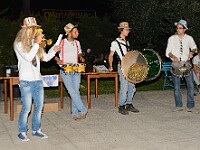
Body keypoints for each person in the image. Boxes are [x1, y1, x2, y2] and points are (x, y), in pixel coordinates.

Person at [13, 17, 60, 141]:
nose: (36, 32)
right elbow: (28, 57)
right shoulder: (18, 44)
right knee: (27, 108)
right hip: (26, 81)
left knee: (39, 107)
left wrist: (54, 51)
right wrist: (37, 44)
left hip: (38, 81)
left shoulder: (36, 45)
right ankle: (22, 131)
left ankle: (36, 130)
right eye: (34, 29)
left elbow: (45, 58)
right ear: (27, 30)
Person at [54, 23, 87, 120]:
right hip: (65, 70)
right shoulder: (61, 43)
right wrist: (57, 60)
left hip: (76, 69)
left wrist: (80, 56)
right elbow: (52, 53)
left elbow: (79, 52)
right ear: (69, 33)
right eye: (75, 31)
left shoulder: (77, 43)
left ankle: (74, 114)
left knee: (76, 91)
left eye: (77, 31)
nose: (78, 33)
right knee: (72, 91)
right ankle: (83, 109)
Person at [165, 19, 197, 112]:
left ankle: (190, 106)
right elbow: (168, 52)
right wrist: (173, 56)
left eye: (180, 28)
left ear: (184, 29)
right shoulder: (171, 38)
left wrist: (191, 52)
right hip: (176, 65)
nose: (178, 30)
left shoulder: (189, 38)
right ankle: (178, 106)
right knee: (176, 87)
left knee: (190, 86)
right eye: (177, 28)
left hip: (187, 64)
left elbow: (194, 48)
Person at [108, 22, 139, 115]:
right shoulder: (115, 42)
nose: (128, 31)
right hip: (121, 67)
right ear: (121, 30)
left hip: (129, 67)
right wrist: (110, 65)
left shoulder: (127, 42)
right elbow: (110, 55)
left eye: (128, 30)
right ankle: (121, 106)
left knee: (132, 87)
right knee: (124, 87)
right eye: (126, 29)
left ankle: (129, 104)